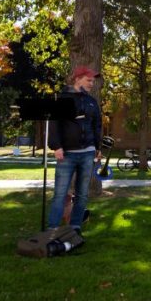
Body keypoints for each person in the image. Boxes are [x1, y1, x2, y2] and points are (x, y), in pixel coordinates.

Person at [47, 66, 103, 232]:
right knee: (60, 193)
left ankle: (75, 227)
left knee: (82, 194)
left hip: (87, 153)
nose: (92, 84)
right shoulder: (63, 99)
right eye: (89, 80)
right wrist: (56, 146)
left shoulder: (92, 101)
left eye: (93, 81)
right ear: (77, 79)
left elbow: (97, 125)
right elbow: (54, 123)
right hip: (67, 154)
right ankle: (53, 229)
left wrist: (97, 148)